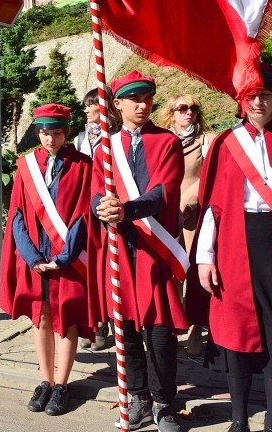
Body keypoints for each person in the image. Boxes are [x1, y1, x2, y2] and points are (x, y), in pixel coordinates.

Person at [191, 64, 272, 432]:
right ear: (241, 100)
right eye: (252, 96)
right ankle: (238, 421)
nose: (259, 102)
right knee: (236, 333)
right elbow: (212, 208)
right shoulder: (225, 143)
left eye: (266, 94)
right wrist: (205, 258)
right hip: (234, 240)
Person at [88, 71, 187, 432]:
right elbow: (97, 190)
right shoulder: (106, 146)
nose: (142, 105)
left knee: (160, 332)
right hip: (120, 247)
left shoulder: (167, 142)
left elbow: (163, 191)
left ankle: (164, 403)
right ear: (118, 104)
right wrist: (102, 206)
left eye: (147, 99)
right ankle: (139, 397)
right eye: (134, 99)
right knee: (126, 328)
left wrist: (126, 210)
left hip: (154, 247)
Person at [0, 104, 93, 417]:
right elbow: (17, 215)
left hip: (69, 258)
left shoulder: (83, 166)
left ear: (66, 132)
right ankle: (45, 381)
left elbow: (84, 215)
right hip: (36, 256)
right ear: (37, 132)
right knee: (41, 317)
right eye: (44, 132)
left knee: (67, 318)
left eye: (56, 132)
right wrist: (31, 257)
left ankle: (63, 385)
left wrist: (63, 258)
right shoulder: (25, 165)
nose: (49, 138)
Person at [157, 94, 216, 356]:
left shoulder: (207, 141)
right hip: (164, 216)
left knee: (192, 270)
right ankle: (170, 325)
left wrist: (186, 202)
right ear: (171, 113)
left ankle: (195, 330)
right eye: (182, 108)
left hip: (194, 218)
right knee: (169, 271)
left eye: (193, 108)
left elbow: (209, 178)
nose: (188, 112)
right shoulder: (162, 141)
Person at [75, 86, 119, 351]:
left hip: (108, 208)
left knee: (108, 268)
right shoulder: (81, 139)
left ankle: (115, 323)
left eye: (89, 105)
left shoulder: (114, 135)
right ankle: (97, 325)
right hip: (85, 209)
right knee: (89, 269)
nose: (86, 110)